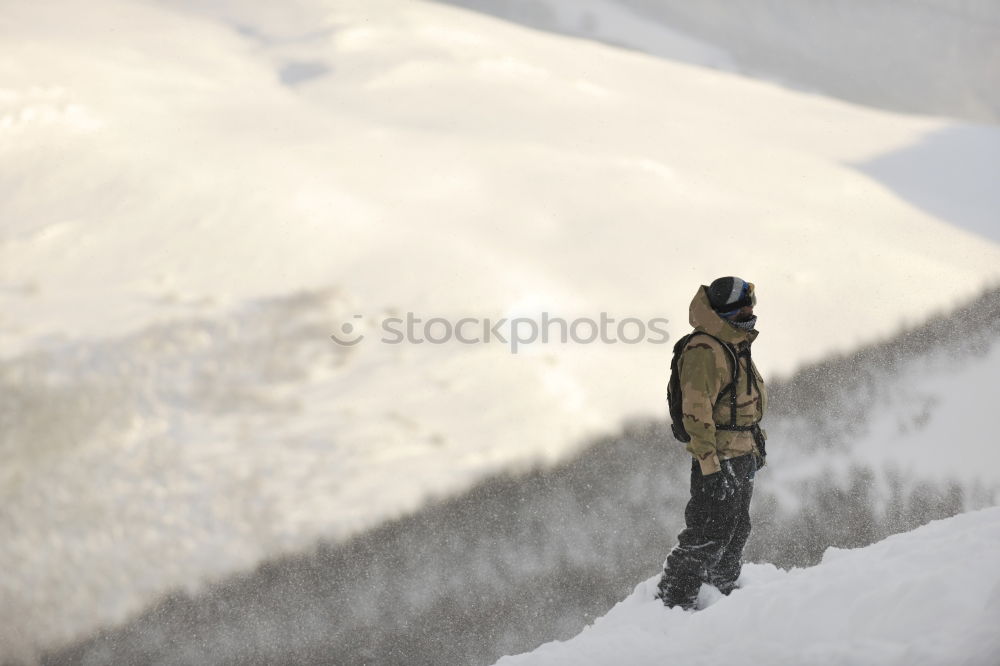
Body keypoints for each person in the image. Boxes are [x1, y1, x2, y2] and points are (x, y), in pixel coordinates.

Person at [656, 276, 768, 610]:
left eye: (752, 305)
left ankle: (721, 592)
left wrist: (755, 445)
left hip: (741, 452)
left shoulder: (734, 342)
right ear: (727, 312)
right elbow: (696, 412)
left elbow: (742, 403)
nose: (751, 312)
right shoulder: (706, 349)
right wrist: (709, 465)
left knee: (736, 528)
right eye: (743, 307)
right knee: (708, 533)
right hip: (719, 457)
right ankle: (672, 603)